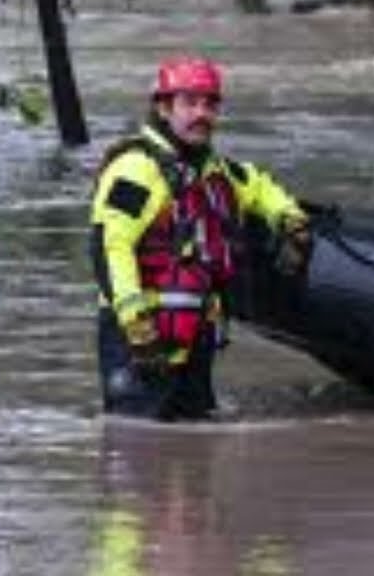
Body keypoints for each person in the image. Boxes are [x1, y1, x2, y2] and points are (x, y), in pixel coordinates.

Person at [90, 56, 310, 421]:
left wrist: (290, 220)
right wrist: (136, 325)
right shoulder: (135, 170)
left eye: (209, 103)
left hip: (193, 340)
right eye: (189, 102)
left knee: (191, 456)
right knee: (134, 447)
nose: (202, 114)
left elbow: (257, 185)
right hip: (139, 339)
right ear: (163, 108)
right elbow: (110, 247)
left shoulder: (214, 170)